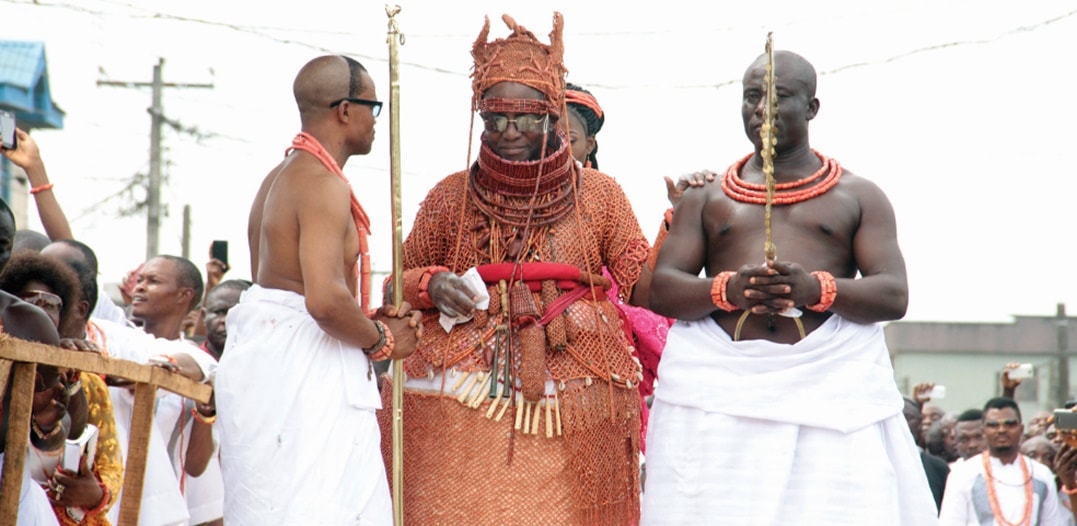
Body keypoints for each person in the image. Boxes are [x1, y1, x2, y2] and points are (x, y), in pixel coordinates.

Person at [644, 49, 936, 523]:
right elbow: (663, 291)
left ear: (812, 107)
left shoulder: (859, 195)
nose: (762, 109)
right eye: (752, 97)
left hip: (830, 394)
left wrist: (816, 290)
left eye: (779, 97)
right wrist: (728, 291)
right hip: (719, 397)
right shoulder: (707, 195)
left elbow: (893, 294)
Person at [385, 13, 650, 524]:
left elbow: (642, 281)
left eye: (524, 118)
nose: (508, 132)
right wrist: (431, 283)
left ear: (552, 116)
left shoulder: (601, 194)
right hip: (458, 380)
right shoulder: (449, 194)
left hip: (579, 367)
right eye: (495, 118)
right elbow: (398, 279)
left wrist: (681, 220)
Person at [214, 54, 421, 526]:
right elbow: (324, 301)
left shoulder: (277, 178)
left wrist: (369, 322)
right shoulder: (323, 184)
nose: (375, 122)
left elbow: (283, 292)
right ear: (345, 110)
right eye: (373, 107)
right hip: (304, 372)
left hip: (271, 364)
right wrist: (383, 339)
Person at [0, 251, 123, 525]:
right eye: (32, 300)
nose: (41, 310)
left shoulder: (79, 374)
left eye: (52, 304)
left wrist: (68, 372)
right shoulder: (5, 352)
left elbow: (66, 434)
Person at [939, 397, 1065, 524]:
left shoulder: (1041, 474)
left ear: (1021, 430)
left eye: (1009, 424)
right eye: (993, 425)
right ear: (983, 431)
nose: (1002, 430)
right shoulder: (963, 475)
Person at [198, 279, 250, 361]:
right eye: (219, 312)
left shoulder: (265, 365)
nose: (226, 320)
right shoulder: (182, 364)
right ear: (204, 316)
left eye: (236, 313)